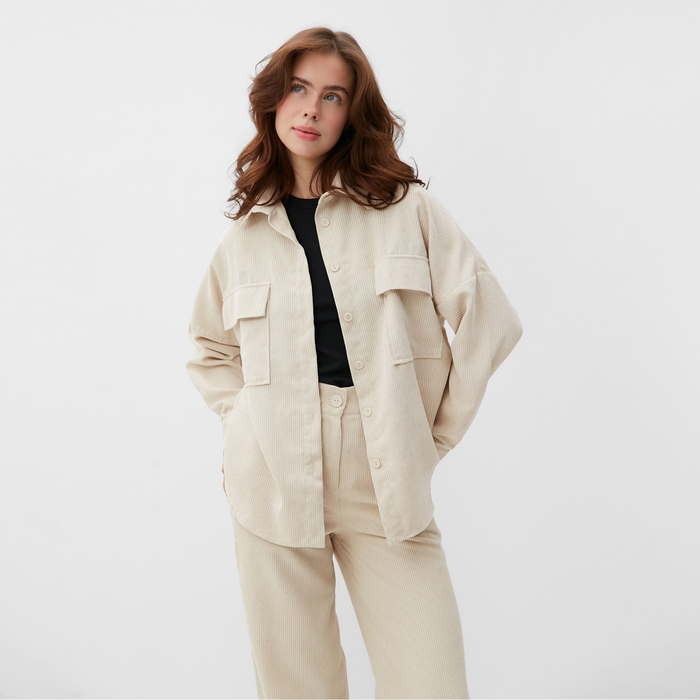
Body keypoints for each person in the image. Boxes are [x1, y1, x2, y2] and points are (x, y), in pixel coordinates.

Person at [186, 26, 522, 700]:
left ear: (351, 114)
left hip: (385, 468)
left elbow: (491, 319)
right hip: (272, 475)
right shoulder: (244, 236)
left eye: (332, 96)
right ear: (275, 100)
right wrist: (241, 424)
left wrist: (434, 437)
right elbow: (210, 348)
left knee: (430, 684)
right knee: (297, 686)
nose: (311, 109)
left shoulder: (406, 210)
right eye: (299, 88)